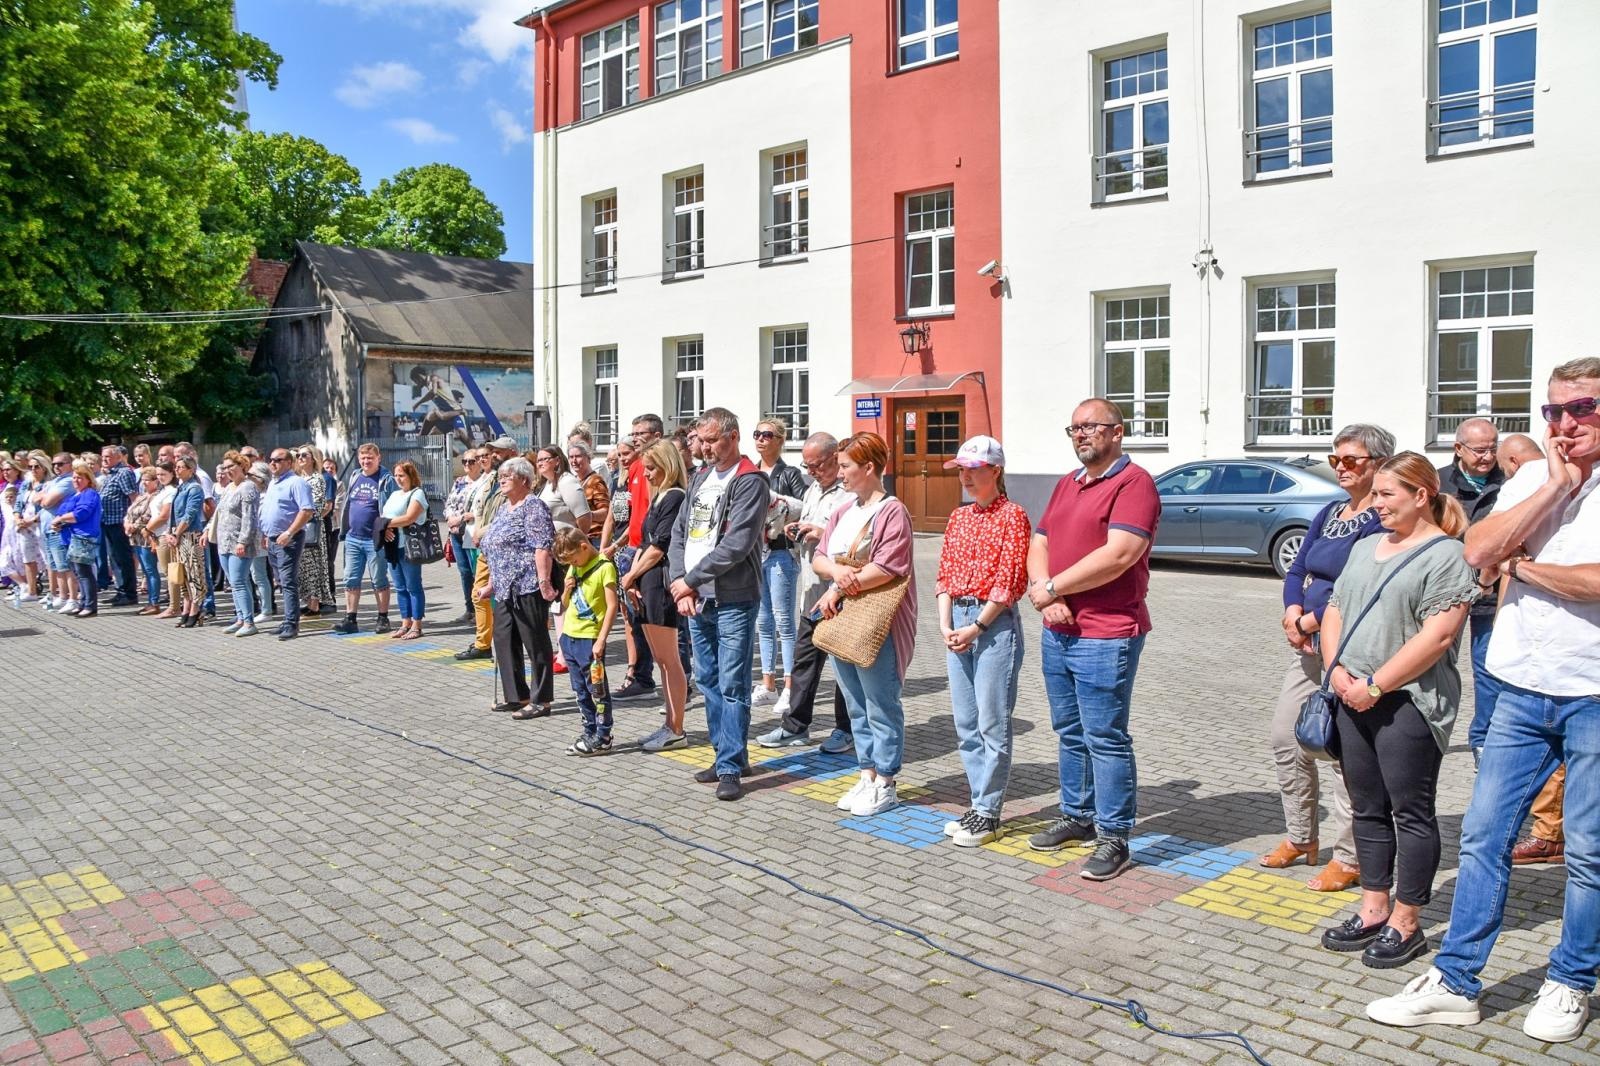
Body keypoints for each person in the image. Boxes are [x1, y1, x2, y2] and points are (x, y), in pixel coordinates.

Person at [1367, 357, 1600, 1043]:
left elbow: (1593, 581)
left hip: (1593, 691)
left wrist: (1523, 566)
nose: (1564, 423)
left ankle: (1569, 980)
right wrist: (1555, 488)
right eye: (1553, 411)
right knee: (1483, 837)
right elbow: (1476, 550)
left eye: (1581, 409)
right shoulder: (1535, 474)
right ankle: (1457, 980)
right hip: (1519, 684)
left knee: (1586, 850)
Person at [1315, 453, 1475, 969]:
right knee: (1366, 808)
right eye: (1376, 494)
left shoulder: (1448, 554)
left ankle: (1407, 922)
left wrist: (1377, 685)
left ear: (1421, 496)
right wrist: (1337, 671)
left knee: (1410, 812)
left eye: (1387, 495)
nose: (1376, 504)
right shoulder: (1364, 546)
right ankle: (1373, 909)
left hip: (1408, 701)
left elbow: (1440, 635)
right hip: (1350, 694)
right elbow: (1335, 608)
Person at [1025, 399, 1160, 882]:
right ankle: (1077, 815)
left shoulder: (1134, 483)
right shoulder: (1068, 482)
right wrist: (1044, 595)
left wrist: (1055, 588)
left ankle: (1115, 836)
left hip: (1106, 631)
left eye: (1090, 427)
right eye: (1074, 428)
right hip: (1058, 628)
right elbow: (1039, 541)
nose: (1081, 435)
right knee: (1069, 730)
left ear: (1117, 432)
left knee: (1106, 737)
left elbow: (1120, 554)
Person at [1262, 423, 1395, 891]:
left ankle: (1351, 856)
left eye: (1351, 460)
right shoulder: (1331, 512)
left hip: (1351, 647)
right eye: (1336, 458)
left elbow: (1360, 584)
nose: (1340, 467)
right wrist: (1291, 612)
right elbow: (1298, 566)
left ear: (1378, 463)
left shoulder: (1381, 518)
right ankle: (1301, 837)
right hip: (1308, 645)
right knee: (1286, 736)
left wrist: (1312, 621)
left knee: (1341, 752)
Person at [811, 432, 918, 817]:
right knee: (856, 703)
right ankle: (868, 773)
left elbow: (889, 566)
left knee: (880, 702)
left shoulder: (892, 511)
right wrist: (838, 574)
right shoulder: (843, 510)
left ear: (868, 467)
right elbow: (821, 557)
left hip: (877, 618)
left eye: (845, 466)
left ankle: (887, 780)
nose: (839, 473)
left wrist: (838, 585)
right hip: (844, 616)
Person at [668, 407, 770, 801]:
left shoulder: (749, 482)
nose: (704, 448)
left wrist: (689, 582)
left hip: (732, 597)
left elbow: (738, 543)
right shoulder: (700, 478)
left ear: (733, 436)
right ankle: (726, 754)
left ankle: (730, 767)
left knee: (732, 682)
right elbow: (680, 533)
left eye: (711, 440)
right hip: (696, 597)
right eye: (701, 441)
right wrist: (680, 580)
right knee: (707, 679)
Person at [936, 436, 1031, 847]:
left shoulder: (1013, 516)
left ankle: (989, 812)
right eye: (962, 470)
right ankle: (977, 804)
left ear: (996, 470)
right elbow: (943, 575)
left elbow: (1009, 581)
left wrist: (976, 625)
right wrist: (945, 624)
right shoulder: (959, 518)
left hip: (993, 624)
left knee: (992, 722)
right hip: (957, 619)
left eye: (974, 470)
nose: (966, 477)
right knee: (966, 724)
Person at [757, 431, 853, 751]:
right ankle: (796, 726)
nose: (812, 471)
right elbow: (809, 522)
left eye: (818, 465)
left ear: (835, 458)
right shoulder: (813, 488)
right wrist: (796, 527)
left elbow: (856, 538)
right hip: (812, 591)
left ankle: (845, 729)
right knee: (804, 662)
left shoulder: (849, 492)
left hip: (840, 594)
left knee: (843, 667)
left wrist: (821, 531)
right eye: (807, 465)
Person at [1435, 418, 1506, 769]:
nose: (1488, 456)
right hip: (1446, 592)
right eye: (1480, 449)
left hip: (1491, 593)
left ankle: (1483, 742)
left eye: (1493, 447)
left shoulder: (1509, 480)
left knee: (1488, 670)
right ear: (1458, 448)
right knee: (1432, 663)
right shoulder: (1438, 482)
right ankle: (1428, 731)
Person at [619, 440, 690, 752]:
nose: (645, 474)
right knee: (662, 661)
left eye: (651, 468)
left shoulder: (674, 496)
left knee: (669, 660)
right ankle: (669, 725)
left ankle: (676, 727)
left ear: (667, 466)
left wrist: (630, 576)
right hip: (647, 581)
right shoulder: (660, 496)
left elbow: (659, 547)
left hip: (660, 582)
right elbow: (645, 545)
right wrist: (633, 578)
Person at [476, 456, 558, 720]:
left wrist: (544, 582)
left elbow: (542, 546)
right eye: (500, 475)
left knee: (535, 642)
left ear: (524, 479)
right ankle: (517, 696)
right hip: (503, 587)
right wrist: (490, 584)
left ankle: (541, 700)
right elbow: (495, 549)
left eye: (507, 476)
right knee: (503, 640)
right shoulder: (504, 508)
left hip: (527, 584)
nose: (501, 480)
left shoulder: (533, 506)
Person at [751, 417, 808, 715]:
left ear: (780, 440)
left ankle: (789, 686)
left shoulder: (789, 474)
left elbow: (800, 508)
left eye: (767, 435)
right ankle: (768, 684)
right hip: (755, 555)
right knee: (764, 622)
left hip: (780, 553)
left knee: (784, 620)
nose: (761, 439)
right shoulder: (750, 472)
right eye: (757, 434)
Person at [553, 527, 620, 755]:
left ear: (584, 546)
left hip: (589, 638)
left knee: (597, 690)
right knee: (580, 690)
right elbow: (565, 603)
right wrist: (566, 589)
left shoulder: (605, 567)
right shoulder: (574, 566)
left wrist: (601, 639)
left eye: (574, 559)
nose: (574, 563)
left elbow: (612, 606)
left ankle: (603, 735)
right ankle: (589, 729)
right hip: (570, 636)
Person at [456, 435, 518, 660]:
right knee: (478, 594)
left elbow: (510, 513)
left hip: (504, 548)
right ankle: (483, 644)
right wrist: (479, 532)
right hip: (486, 546)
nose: (493, 456)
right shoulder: (493, 479)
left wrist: (482, 532)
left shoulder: (519, 477)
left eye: (498, 451)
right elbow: (482, 509)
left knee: (503, 599)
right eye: (491, 451)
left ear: (511, 452)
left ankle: (507, 644)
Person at [332, 444, 398, 635]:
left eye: (370, 458)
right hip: (353, 537)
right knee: (350, 578)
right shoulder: (355, 475)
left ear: (379, 458)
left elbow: (394, 505)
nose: (366, 461)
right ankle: (350, 618)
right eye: (363, 458)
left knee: (378, 578)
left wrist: (387, 527)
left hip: (374, 539)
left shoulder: (386, 479)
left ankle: (383, 617)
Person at [260, 447, 313, 640]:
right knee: (281, 582)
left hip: (289, 539)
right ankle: (286, 620)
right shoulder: (274, 483)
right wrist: (266, 534)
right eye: (271, 459)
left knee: (288, 582)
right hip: (273, 538)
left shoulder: (296, 483)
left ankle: (292, 624)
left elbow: (306, 511)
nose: (273, 463)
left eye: (278, 460)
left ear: (289, 463)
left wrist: (289, 532)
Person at [213, 453, 262, 637]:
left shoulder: (248, 487)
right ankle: (240, 618)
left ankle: (249, 621)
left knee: (240, 581)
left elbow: (249, 518)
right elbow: (220, 513)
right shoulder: (228, 488)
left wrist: (243, 540)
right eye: (224, 468)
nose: (227, 471)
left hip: (240, 543)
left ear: (242, 466)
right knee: (233, 583)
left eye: (230, 467)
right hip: (224, 542)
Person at [381, 460, 429, 640]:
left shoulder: (418, 494)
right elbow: (384, 516)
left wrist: (384, 524)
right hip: (393, 546)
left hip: (410, 546)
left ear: (411, 476)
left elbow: (409, 518)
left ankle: (417, 625)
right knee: (400, 587)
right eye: (396, 475)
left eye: (402, 475)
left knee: (413, 586)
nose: (398, 479)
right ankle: (405, 622)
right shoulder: (394, 495)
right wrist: (383, 527)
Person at [48, 461, 101, 617]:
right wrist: (58, 522)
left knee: (84, 572)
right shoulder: (75, 495)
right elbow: (61, 512)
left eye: (80, 478)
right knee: (77, 572)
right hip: (70, 537)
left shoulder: (89, 493)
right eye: (75, 477)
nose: (76, 480)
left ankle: (90, 606)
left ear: (88, 479)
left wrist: (61, 519)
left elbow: (81, 514)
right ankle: (83, 602)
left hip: (83, 537)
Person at [166, 457, 209, 627]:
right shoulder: (180, 488)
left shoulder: (195, 488)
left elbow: (190, 514)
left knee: (194, 574)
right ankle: (186, 607)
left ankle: (196, 608)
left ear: (191, 470)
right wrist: (171, 533)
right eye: (176, 467)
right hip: (178, 536)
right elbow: (173, 515)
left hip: (190, 536)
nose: (177, 470)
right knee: (182, 575)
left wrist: (177, 532)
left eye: (181, 467)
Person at [443, 449, 483, 622]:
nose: (467, 465)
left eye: (471, 461)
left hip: (472, 531)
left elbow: (478, 510)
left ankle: (480, 609)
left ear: (479, 463)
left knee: (476, 571)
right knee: (464, 572)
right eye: (464, 462)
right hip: (456, 533)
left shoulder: (483, 483)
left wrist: (459, 519)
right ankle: (469, 609)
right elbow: (449, 503)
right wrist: (449, 518)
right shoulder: (459, 482)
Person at [97, 445, 139, 606]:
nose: (104, 460)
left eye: (108, 457)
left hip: (119, 522)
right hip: (107, 521)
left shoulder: (124, 473)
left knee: (124, 558)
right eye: (103, 457)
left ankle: (129, 593)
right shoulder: (110, 474)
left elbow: (134, 498)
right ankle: (120, 590)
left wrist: (131, 519)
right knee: (114, 559)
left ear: (118, 457)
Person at [294, 445, 331, 618]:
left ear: (313, 459)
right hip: (298, 526)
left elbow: (316, 507)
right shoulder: (298, 479)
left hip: (311, 527)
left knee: (313, 566)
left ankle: (314, 604)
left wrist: (297, 515)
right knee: (302, 568)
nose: (300, 458)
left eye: (304, 455)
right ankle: (308, 601)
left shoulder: (317, 479)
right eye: (298, 455)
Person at [147, 462, 181, 618]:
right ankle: (174, 605)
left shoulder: (171, 491)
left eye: (163, 474)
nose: (160, 477)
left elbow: (164, 515)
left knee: (171, 572)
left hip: (165, 534)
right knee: (169, 572)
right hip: (158, 535)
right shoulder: (163, 490)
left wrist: (147, 529)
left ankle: (174, 607)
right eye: (158, 475)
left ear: (172, 474)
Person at [567, 441, 610, 549]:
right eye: (571, 457)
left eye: (578, 456)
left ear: (588, 458)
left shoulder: (595, 481)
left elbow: (606, 512)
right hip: (579, 538)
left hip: (593, 539)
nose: (574, 461)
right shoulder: (574, 481)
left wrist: (586, 516)